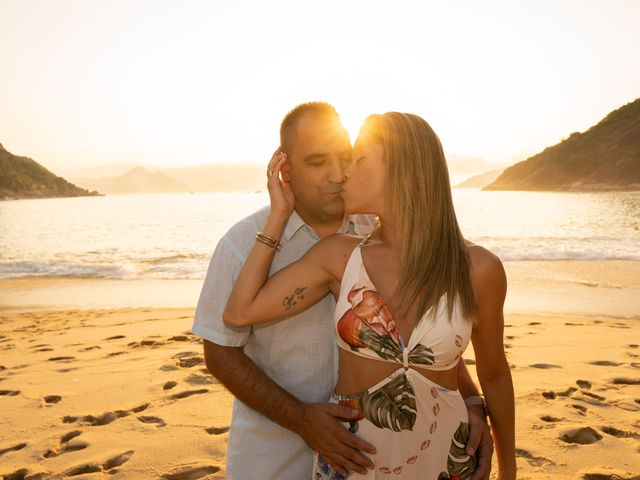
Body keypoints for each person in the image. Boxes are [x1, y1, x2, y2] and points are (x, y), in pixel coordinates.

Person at [193, 103, 495, 479]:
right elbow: (220, 352)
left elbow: (424, 331)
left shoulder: (384, 227)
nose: (337, 174)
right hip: (275, 456)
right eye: (318, 162)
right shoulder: (241, 245)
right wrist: (300, 419)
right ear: (286, 169)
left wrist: (470, 399)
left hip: (382, 456)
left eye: (346, 158)